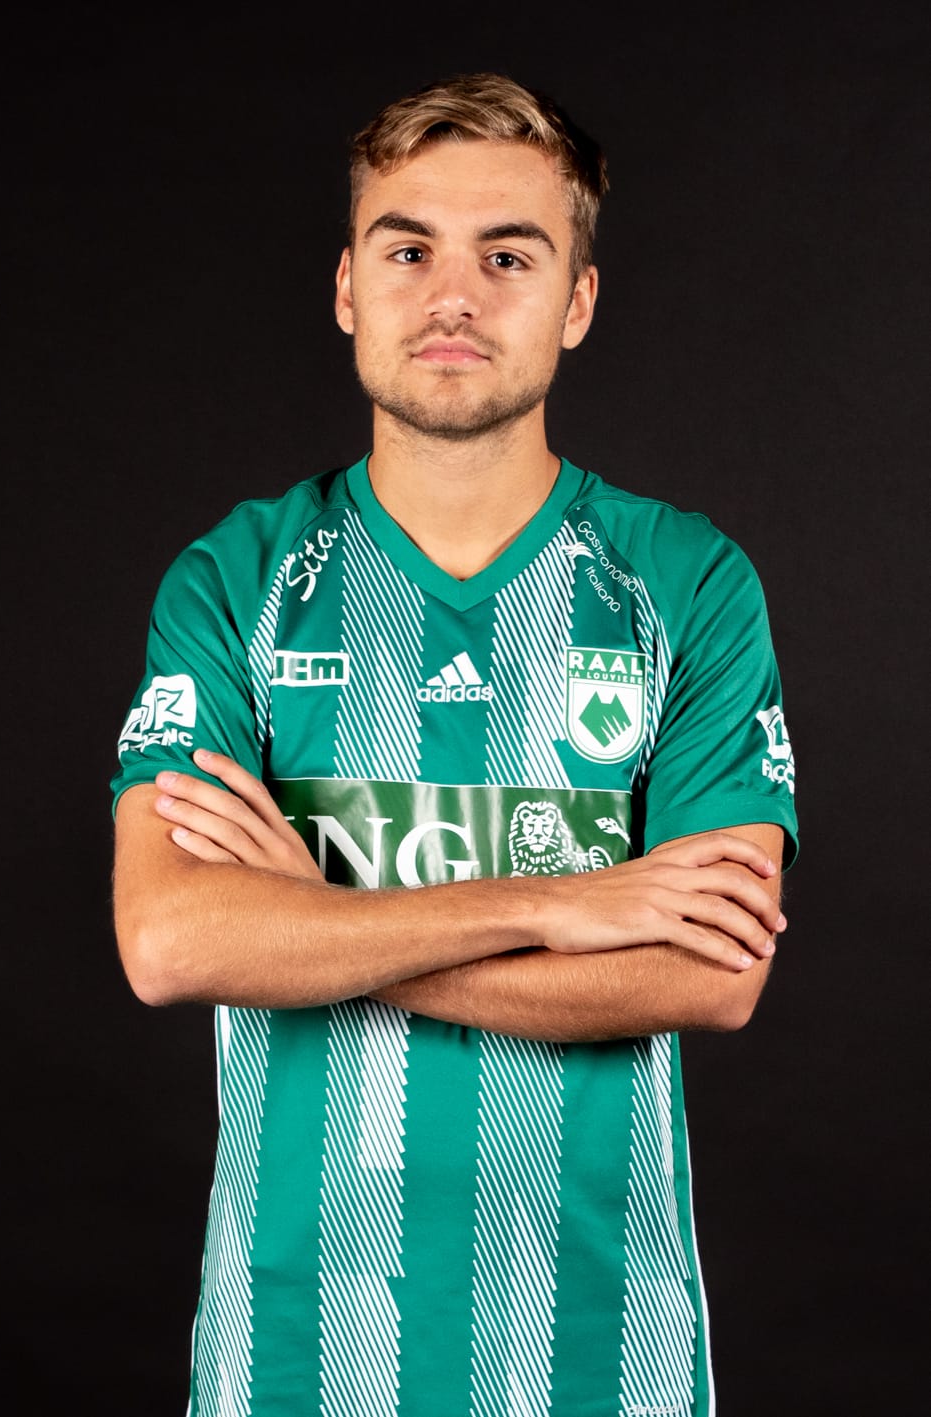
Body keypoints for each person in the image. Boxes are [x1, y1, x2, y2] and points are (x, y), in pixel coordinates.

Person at [111, 71, 798, 1417]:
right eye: (408, 249)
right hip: (292, 1356)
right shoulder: (237, 579)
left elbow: (713, 973)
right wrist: (557, 904)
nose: (453, 296)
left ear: (577, 301)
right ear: (347, 288)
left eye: (508, 256)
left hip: (606, 1356)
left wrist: (316, 924)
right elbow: (172, 940)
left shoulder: (686, 581)